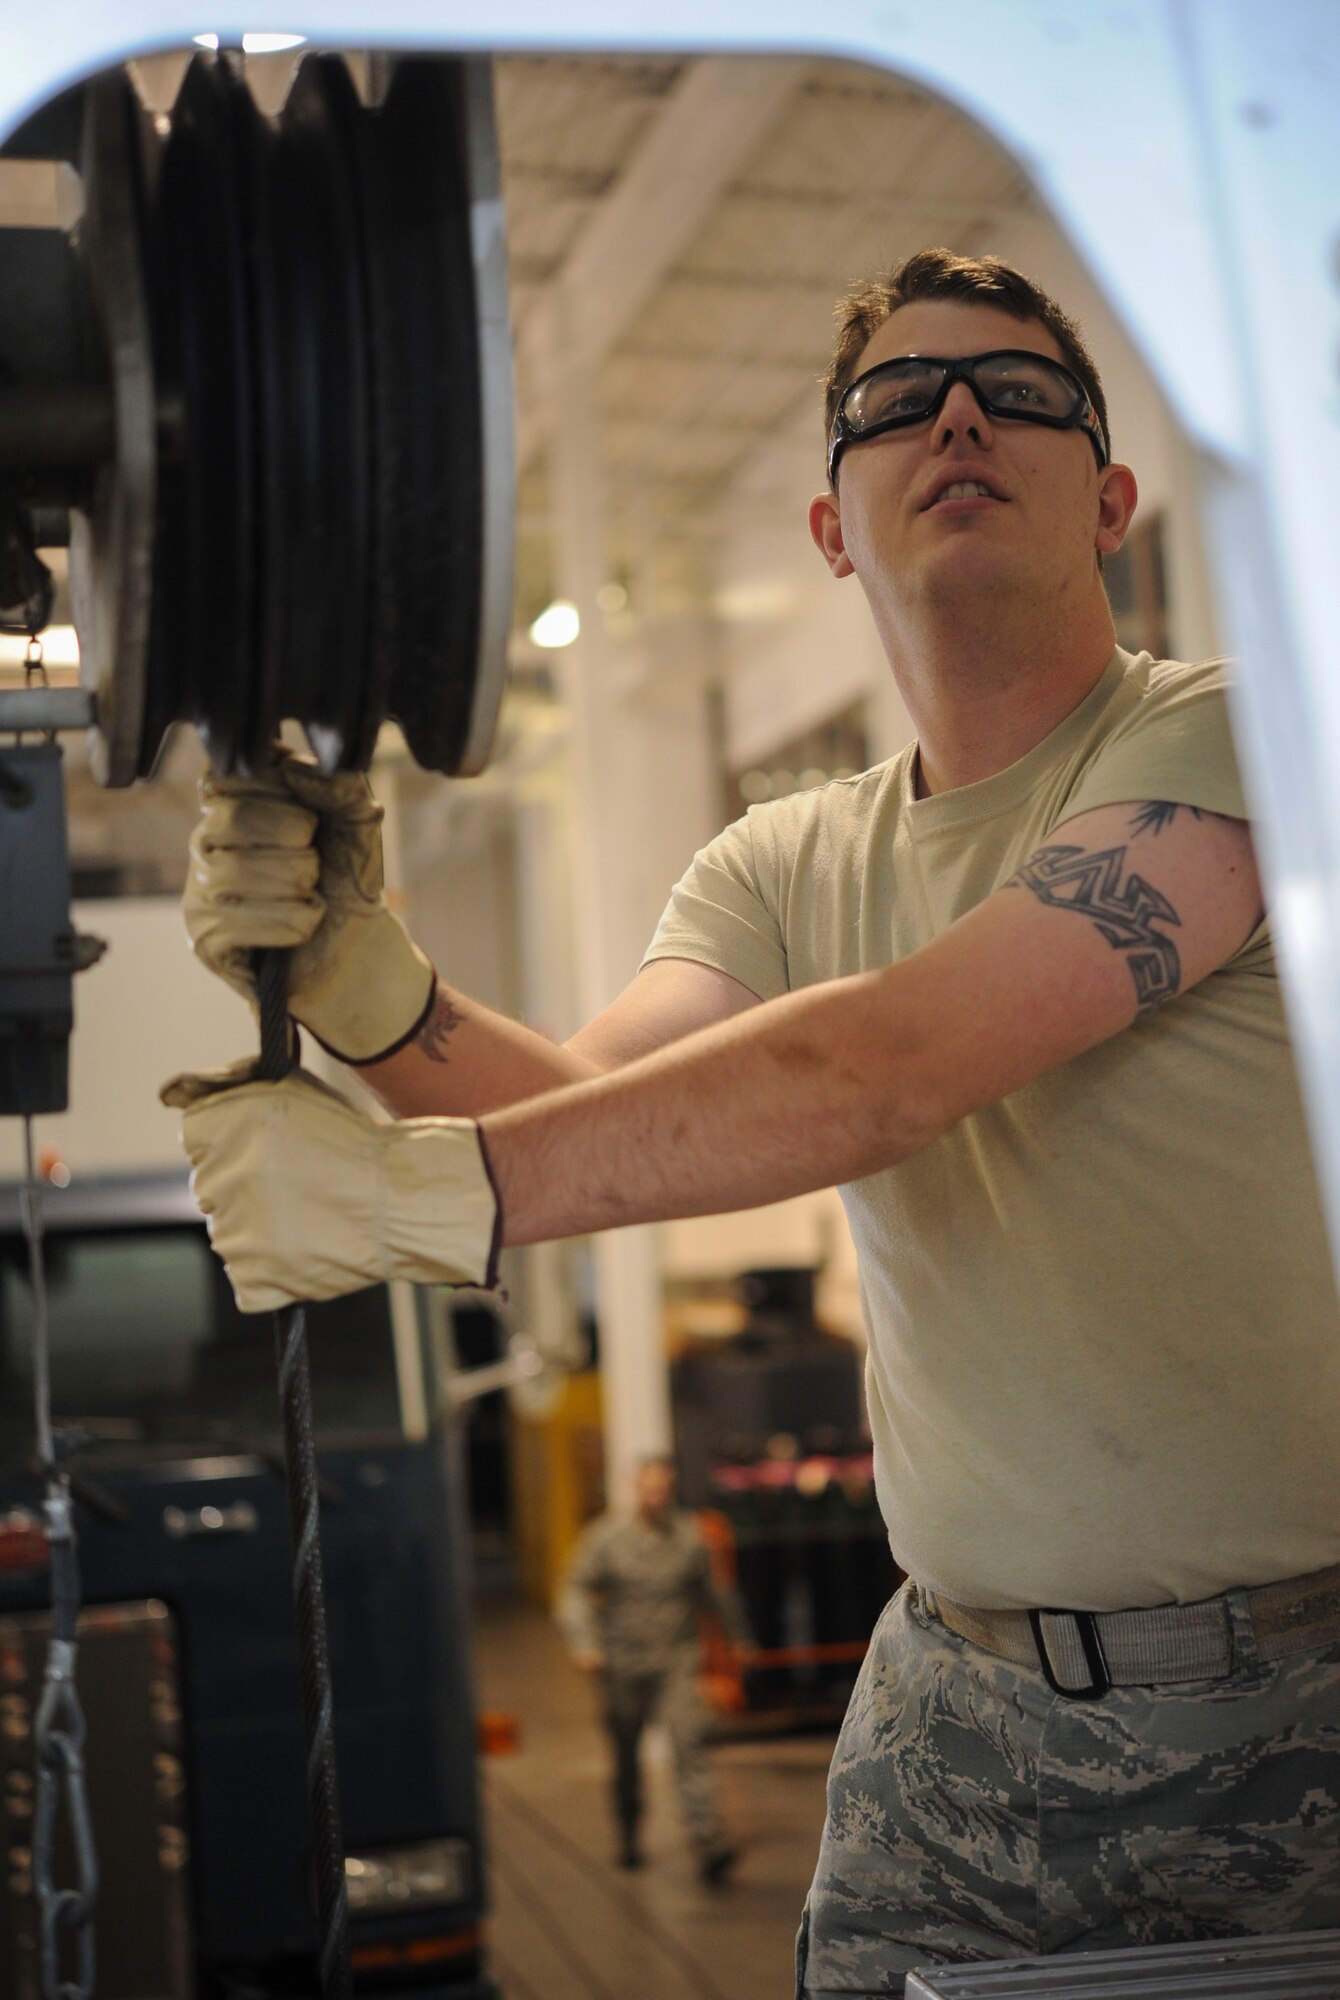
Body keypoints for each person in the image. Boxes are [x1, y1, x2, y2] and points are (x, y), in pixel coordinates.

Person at [166, 249, 1340, 1995]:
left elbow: (893, 1067)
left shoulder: (1247, 739)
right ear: (829, 527)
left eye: (1018, 391)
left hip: (1290, 1709)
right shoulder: (784, 861)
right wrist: (364, 987)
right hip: (955, 1698)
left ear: (1110, 498)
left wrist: (435, 1200)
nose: (956, 414)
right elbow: (594, 1115)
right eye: (897, 401)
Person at [557, 1455, 746, 1878]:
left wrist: (737, 1641)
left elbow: (715, 1594)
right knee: (625, 1756)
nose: (657, 1497)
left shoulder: (688, 1537)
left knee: (689, 1744)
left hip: (676, 1660)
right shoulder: (607, 1539)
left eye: (663, 1489)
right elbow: (574, 1590)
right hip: (622, 1665)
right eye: (649, 1489)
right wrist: (585, 1644)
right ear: (634, 1489)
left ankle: (709, 1841)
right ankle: (628, 1832)